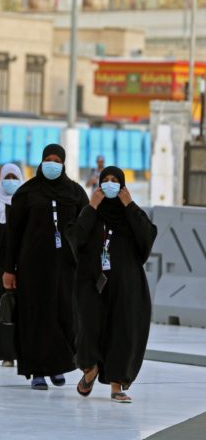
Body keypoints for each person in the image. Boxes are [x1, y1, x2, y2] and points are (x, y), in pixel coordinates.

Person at [66, 166, 157, 403]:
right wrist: (92, 207)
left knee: (122, 331)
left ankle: (117, 384)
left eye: (114, 180)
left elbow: (147, 238)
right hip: (91, 282)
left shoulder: (130, 214)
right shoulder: (91, 213)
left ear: (123, 185)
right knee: (88, 326)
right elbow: (75, 238)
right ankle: (90, 368)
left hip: (126, 283)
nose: (109, 184)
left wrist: (130, 205)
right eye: (104, 180)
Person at [2, 144, 88, 390]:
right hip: (32, 268)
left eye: (57, 160)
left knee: (64, 317)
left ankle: (57, 366)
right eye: (48, 159)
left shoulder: (74, 192)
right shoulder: (27, 193)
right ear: (41, 162)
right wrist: (9, 269)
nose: (52, 164)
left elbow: (86, 228)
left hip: (65, 269)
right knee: (36, 317)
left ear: (63, 163)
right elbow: (13, 234)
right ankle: (37, 370)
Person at [0, 163, 23, 368]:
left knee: (19, 309)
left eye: (14, 177)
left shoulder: (25, 204)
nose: (10, 181)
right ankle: (1, 352)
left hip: (21, 265)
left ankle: (19, 351)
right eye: (6, 176)